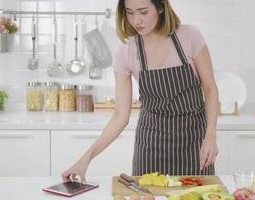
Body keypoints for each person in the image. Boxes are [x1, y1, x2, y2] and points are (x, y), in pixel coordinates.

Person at [62, 0, 219, 182]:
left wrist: (211, 135)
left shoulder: (189, 36)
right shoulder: (125, 53)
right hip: (151, 147)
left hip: (194, 143)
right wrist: (85, 159)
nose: (136, 20)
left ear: (160, 7)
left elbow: (210, 89)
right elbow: (120, 115)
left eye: (143, 12)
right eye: (129, 12)